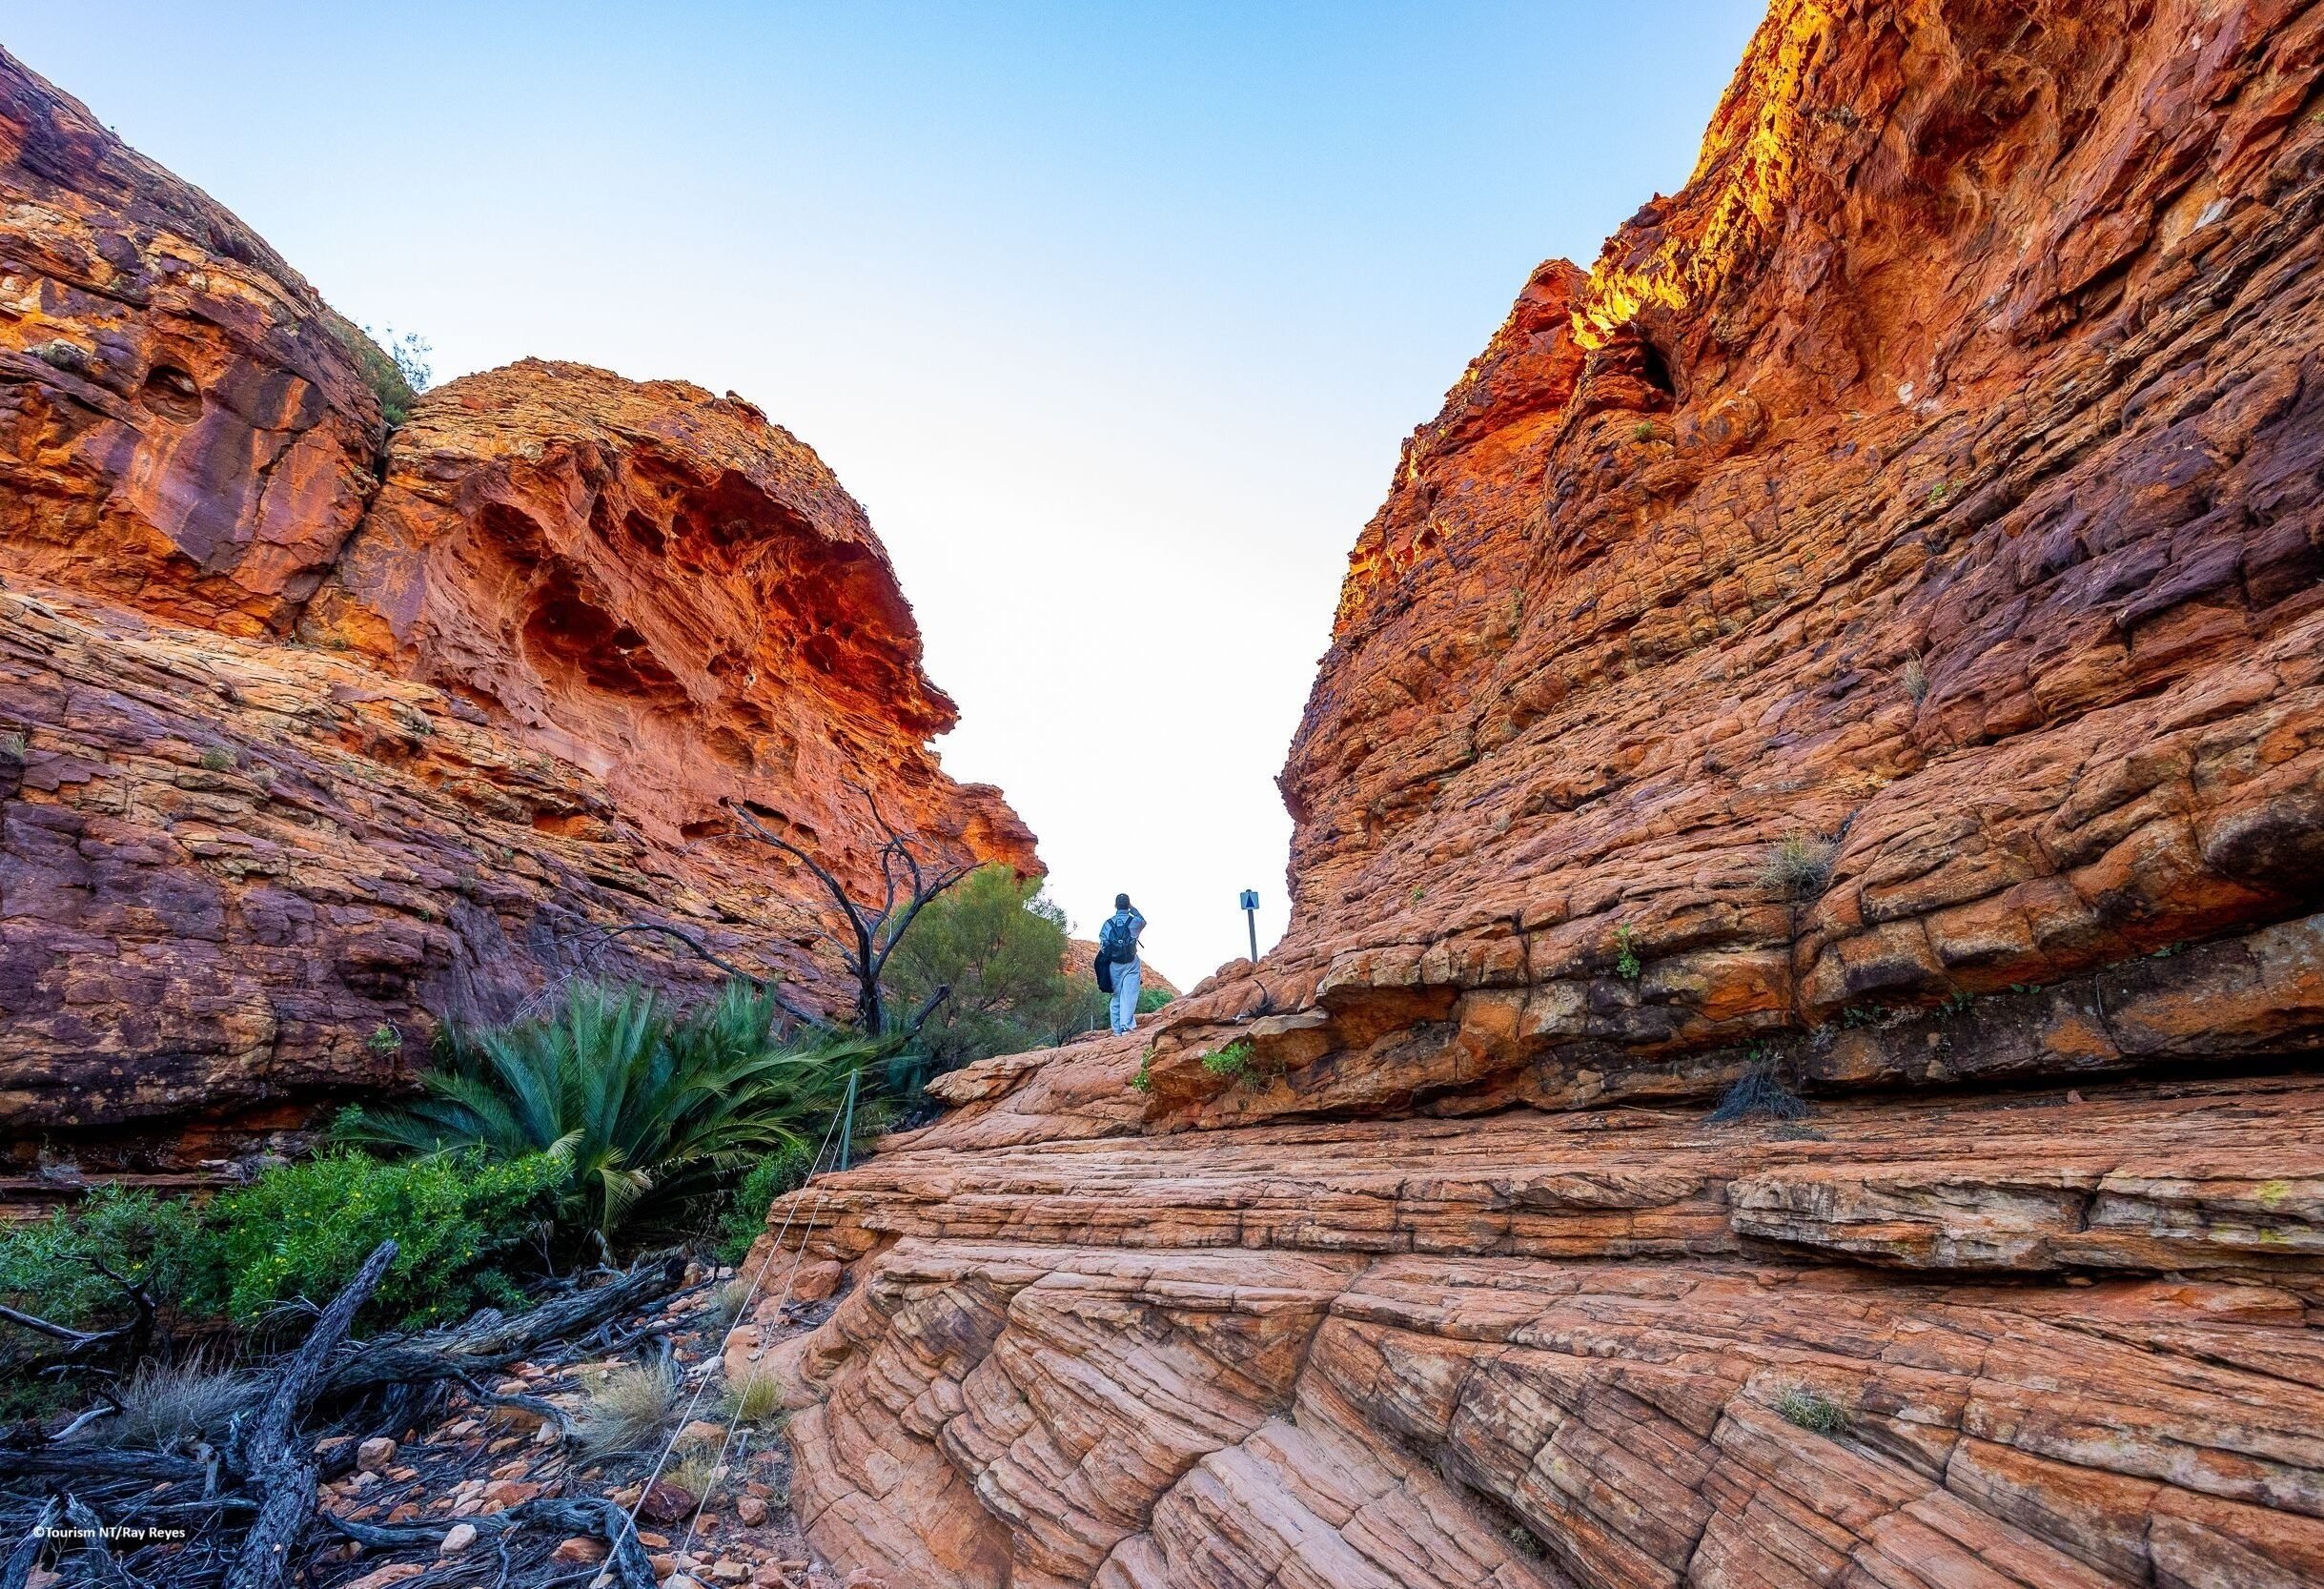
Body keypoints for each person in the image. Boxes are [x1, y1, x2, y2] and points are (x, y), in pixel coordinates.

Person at [1098, 892, 1146, 1035]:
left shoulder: (1108, 923)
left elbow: (1103, 944)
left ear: (1115, 906)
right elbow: (1143, 921)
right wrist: (1132, 908)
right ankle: (1126, 1027)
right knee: (1129, 994)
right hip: (1131, 962)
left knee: (1117, 995)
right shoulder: (1135, 922)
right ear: (1128, 905)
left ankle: (1116, 1030)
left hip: (1114, 964)